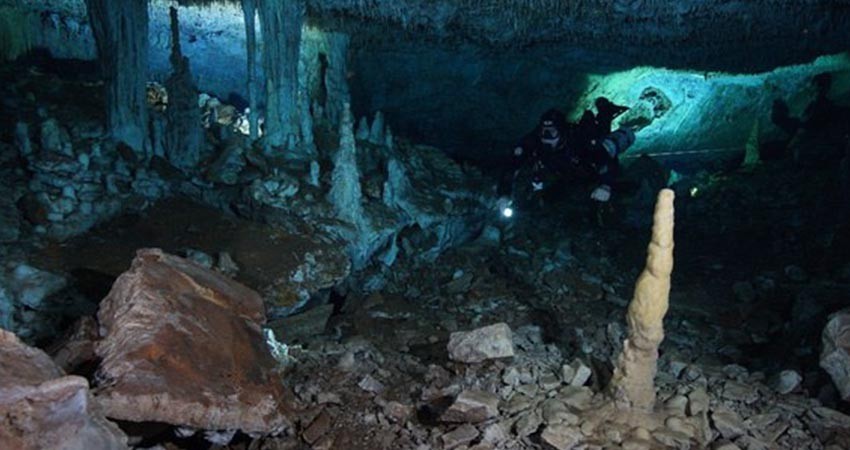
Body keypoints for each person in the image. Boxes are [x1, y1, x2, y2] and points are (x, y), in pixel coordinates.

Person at [497, 98, 635, 211]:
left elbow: (606, 161)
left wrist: (606, 185)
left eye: (551, 133)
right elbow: (511, 166)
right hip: (563, 170)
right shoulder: (534, 140)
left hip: (584, 164)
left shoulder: (578, 140)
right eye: (543, 132)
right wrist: (504, 193)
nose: (545, 138)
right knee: (555, 195)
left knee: (601, 137)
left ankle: (606, 112)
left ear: (561, 132)